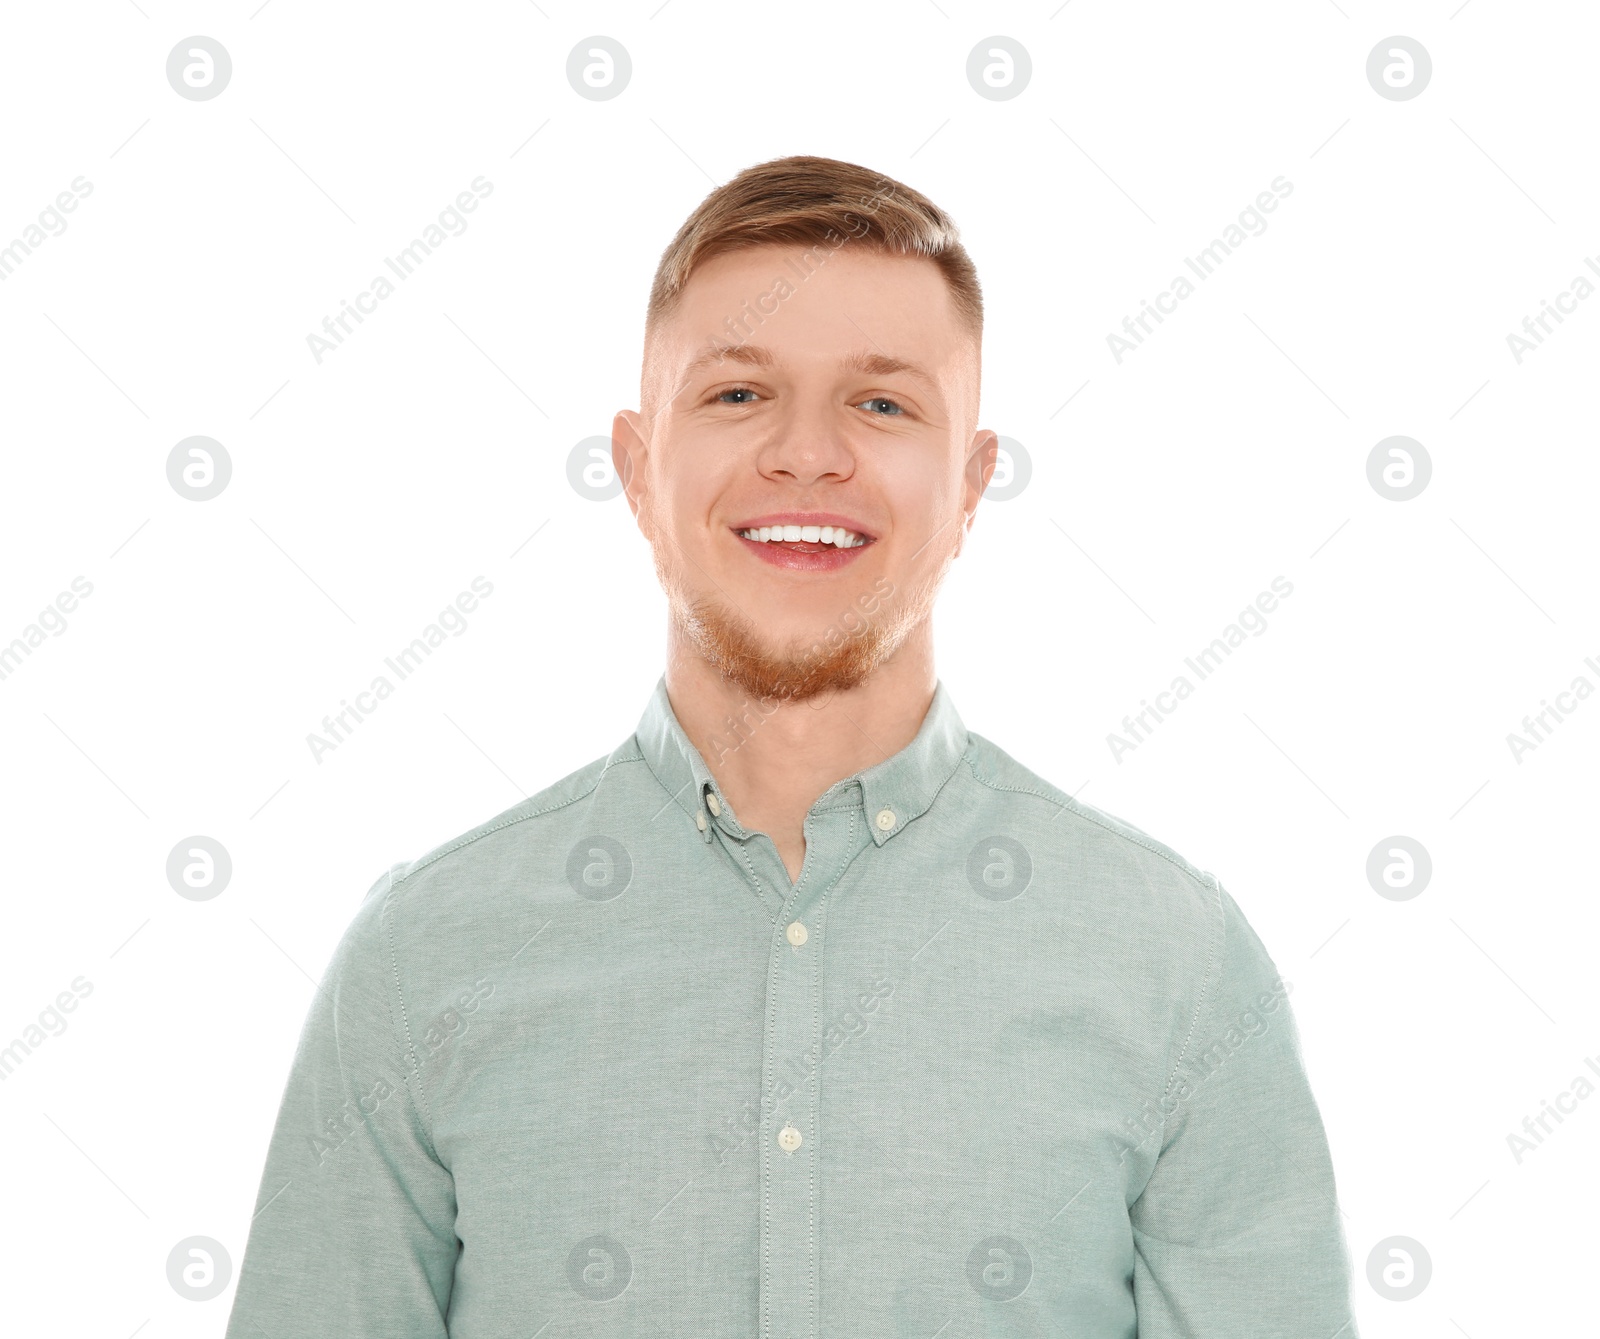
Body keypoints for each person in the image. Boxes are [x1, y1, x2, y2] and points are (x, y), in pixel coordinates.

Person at [225, 155, 1357, 1337]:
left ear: (971, 484)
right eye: (735, 396)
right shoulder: (424, 957)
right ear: (633, 466)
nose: (806, 453)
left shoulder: (1176, 962)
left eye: (881, 403)